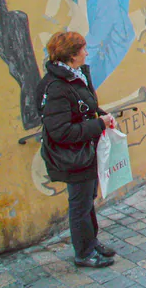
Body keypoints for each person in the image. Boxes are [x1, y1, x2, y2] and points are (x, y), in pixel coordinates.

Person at [36, 32, 117, 268]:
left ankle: (91, 242)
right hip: (72, 155)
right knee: (80, 204)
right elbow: (60, 131)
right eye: (82, 49)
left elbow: (85, 106)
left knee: (88, 199)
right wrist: (98, 124)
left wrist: (102, 116)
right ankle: (83, 253)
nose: (86, 52)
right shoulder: (56, 87)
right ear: (71, 55)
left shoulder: (75, 76)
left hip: (85, 150)